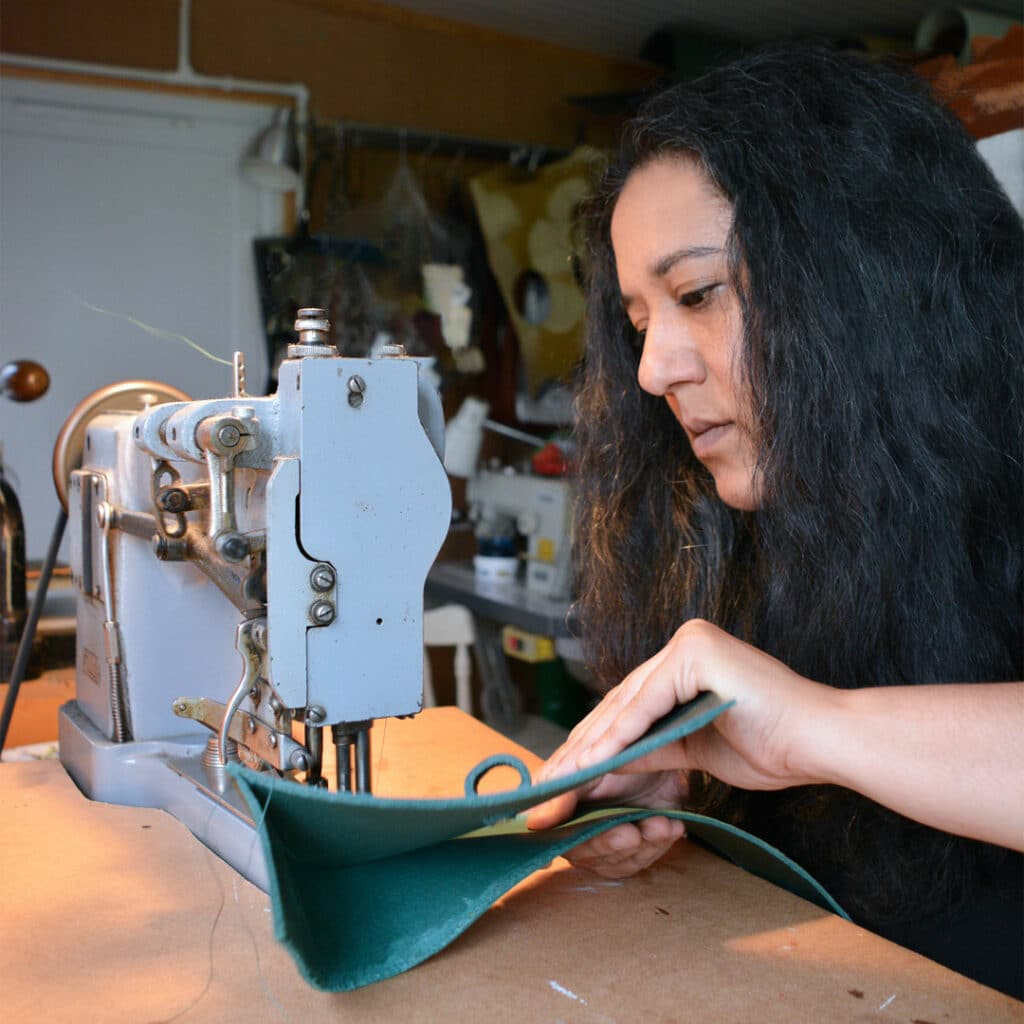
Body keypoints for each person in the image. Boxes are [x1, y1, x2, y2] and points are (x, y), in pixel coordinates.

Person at [525, 45, 1023, 998]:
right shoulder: (736, 536)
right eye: (640, 323)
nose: (652, 371)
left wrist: (814, 726)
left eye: (697, 294)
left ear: (866, 278)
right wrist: (684, 791)